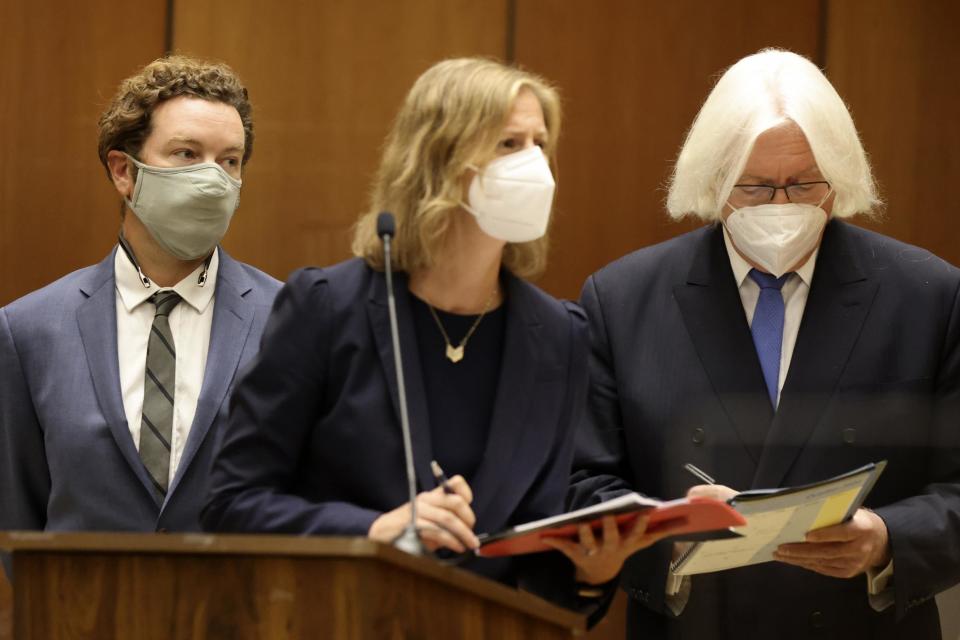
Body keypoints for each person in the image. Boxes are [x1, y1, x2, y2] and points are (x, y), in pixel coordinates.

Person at [202, 57, 663, 609]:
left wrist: (591, 575)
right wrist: (374, 531)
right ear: (439, 159)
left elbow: (537, 564)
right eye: (509, 144)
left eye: (542, 143)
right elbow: (232, 503)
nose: (537, 166)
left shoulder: (559, 336)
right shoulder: (326, 308)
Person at [568, 48, 960, 639]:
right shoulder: (622, 300)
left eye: (803, 185)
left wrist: (887, 539)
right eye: (753, 188)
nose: (782, 207)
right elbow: (584, 484)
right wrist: (671, 537)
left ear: (840, 177)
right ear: (713, 180)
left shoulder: (928, 295)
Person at [0, 56, 281, 544]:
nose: (213, 179)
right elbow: (18, 519)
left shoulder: (286, 320)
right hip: (80, 615)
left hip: (238, 614)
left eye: (229, 160)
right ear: (123, 171)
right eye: (187, 153)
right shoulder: (29, 330)